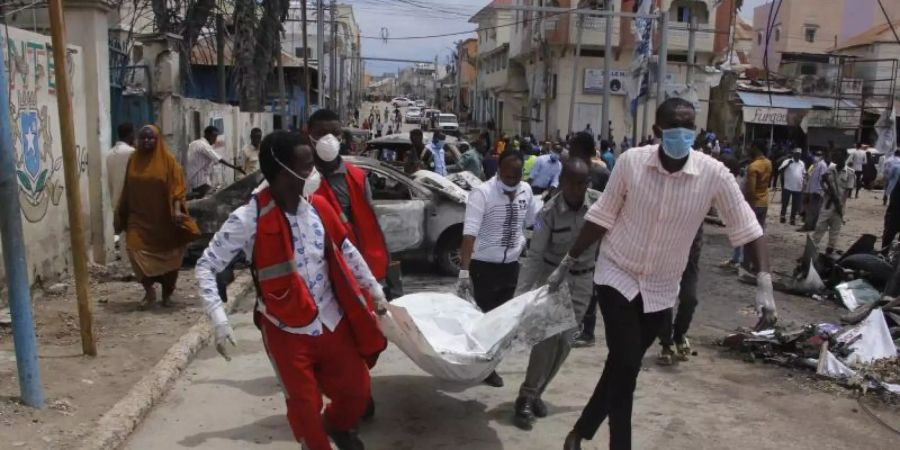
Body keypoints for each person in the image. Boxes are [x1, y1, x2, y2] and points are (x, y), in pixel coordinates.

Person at [550, 98, 776, 450]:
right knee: (626, 363)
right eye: (674, 129)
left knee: (622, 367)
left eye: (689, 128)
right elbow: (602, 215)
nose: (682, 136)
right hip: (617, 273)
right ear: (657, 132)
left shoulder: (713, 174)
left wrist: (764, 281)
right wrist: (569, 259)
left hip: (660, 287)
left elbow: (747, 226)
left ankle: (579, 432)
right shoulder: (631, 163)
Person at [195, 131, 387, 450]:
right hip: (286, 328)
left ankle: (337, 425)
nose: (315, 173)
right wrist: (219, 320)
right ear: (284, 172)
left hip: (331, 319)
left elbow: (348, 251)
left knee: (357, 390)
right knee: (304, 407)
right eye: (308, 166)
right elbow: (206, 266)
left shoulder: (318, 208)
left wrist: (375, 291)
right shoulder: (249, 218)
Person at [512, 159, 599, 430]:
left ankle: (538, 392)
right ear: (562, 183)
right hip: (553, 281)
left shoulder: (598, 205)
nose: (576, 189)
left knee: (566, 342)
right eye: (571, 183)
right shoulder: (546, 213)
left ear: (588, 184)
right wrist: (520, 296)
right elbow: (535, 256)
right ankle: (525, 397)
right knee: (546, 341)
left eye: (582, 183)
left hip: (584, 283)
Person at [456, 150, 539, 388]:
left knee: (503, 323)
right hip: (484, 267)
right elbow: (469, 234)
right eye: (508, 176)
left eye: (516, 177)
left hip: (511, 267)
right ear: (498, 171)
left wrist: (543, 234)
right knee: (483, 321)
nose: (512, 181)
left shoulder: (526, 191)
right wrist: (464, 272)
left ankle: (490, 366)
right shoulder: (482, 194)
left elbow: (535, 221)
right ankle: (480, 367)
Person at [115, 125, 200, 308]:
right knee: (133, 249)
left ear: (158, 140)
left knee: (170, 258)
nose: (147, 141)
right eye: (143, 138)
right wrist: (122, 212)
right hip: (139, 219)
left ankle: (167, 294)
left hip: (164, 220)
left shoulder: (168, 161)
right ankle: (149, 291)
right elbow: (127, 188)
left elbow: (178, 188)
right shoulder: (133, 160)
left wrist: (177, 210)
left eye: (151, 138)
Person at [308, 109, 389, 283]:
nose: (328, 139)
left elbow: (368, 228)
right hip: (311, 269)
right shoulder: (299, 178)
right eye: (321, 133)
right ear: (309, 136)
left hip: (347, 267)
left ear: (341, 137)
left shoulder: (357, 178)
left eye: (335, 133)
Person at [657, 227, 702, 365]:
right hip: (665, 259)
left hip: (689, 261)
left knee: (690, 299)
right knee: (665, 300)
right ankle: (666, 344)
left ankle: (679, 334)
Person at [813, 148, 854, 255]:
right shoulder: (830, 169)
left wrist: (839, 203)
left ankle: (829, 251)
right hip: (827, 205)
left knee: (834, 232)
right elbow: (822, 181)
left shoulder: (850, 173)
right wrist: (827, 191)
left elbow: (848, 192)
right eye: (836, 156)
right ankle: (812, 250)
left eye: (840, 156)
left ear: (845, 157)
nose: (837, 158)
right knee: (819, 228)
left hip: (838, 206)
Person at [187, 126, 244, 198]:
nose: (215, 140)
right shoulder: (204, 145)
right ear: (207, 135)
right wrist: (236, 167)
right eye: (214, 136)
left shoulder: (193, 143)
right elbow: (219, 159)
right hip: (201, 182)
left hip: (192, 180)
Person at [107, 123, 136, 262]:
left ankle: (126, 265)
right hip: (130, 198)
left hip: (115, 199)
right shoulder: (131, 152)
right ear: (130, 134)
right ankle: (134, 265)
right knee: (133, 232)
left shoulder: (110, 154)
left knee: (123, 232)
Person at [741, 144, 772, 274]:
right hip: (764, 202)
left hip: (754, 204)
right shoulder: (768, 163)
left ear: (756, 149)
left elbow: (750, 190)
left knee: (749, 236)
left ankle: (747, 264)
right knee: (759, 234)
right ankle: (758, 264)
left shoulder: (753, 167)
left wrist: (748, 206)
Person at [801, 151, 829, 232]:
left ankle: (809, 226)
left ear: (822, 156)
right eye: (816, 155)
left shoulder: (822, 165)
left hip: (817, 191)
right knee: (811, 209)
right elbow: (810, 178)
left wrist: (818, 191)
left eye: (819, 155)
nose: (817, 156)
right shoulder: (815, 165)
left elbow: (822, 179)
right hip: (811, 191)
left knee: (813, 210)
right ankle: (811, 225)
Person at [777, 149, 805, 225]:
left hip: (798, 187)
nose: (797, 155)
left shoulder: (802, 163)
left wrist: (804, 182)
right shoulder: (787, 161)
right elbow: (780, 170)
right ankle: (782, 216)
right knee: (785, 202)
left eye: (799, 154)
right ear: (793, 154)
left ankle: (792, 219)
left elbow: (803, 173)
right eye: (796, 154)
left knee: (795, 205)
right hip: (787, 186)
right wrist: (787, 164)